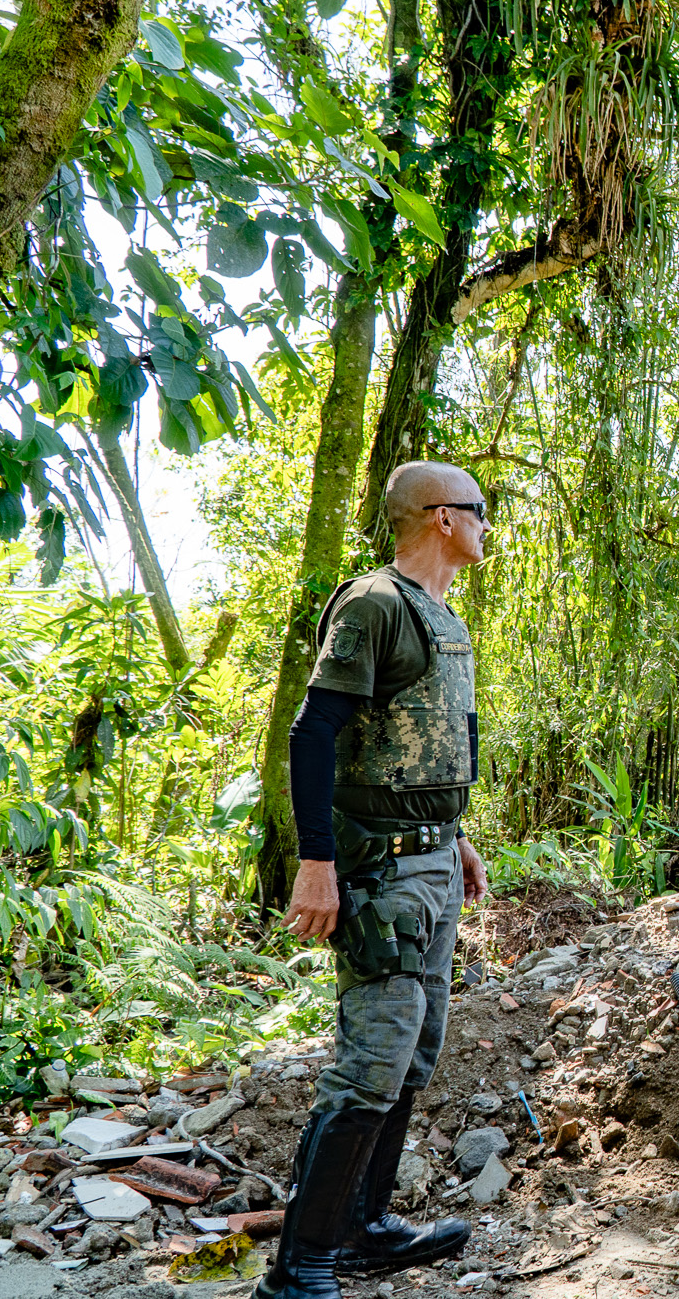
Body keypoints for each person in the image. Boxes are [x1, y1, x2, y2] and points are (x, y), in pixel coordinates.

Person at [257, 462, 492, 1299]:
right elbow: (315, 733)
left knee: (414, 1052)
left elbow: (434, 740)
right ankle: (299, 1266)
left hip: (431, 861)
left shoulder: (442, 616)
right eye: (477, 510)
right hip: (378, 868)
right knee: (373, 1057)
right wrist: (316, 862)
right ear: (438, 518)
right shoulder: (374, 605)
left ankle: (363, 1226)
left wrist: (455, 836)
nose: (485, 525)